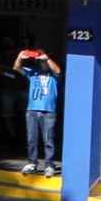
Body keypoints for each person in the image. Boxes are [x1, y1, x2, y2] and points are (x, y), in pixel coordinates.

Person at [17, 48, 63, 176]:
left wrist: (47, 58)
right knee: (32, 138)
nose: (42, 63)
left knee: (49, 139)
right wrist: (20, 56)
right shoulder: (33, 72)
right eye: (40, 60)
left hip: (48, 111)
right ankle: (32, 162)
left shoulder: (53, 73)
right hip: (32, 109)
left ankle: (49, 164)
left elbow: (58, 70)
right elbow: (17, 68)